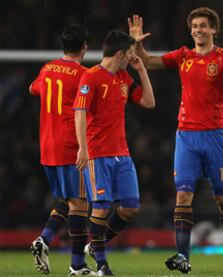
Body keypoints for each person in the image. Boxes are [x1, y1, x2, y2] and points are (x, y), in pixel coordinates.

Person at [129, 7, 223, 273]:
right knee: (183, 195)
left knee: (222, 199)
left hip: (215, 137)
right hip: (186, 136)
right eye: (195, 26)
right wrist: (136, 42)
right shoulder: (183, 55)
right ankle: (182, 255)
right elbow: (147, 61)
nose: (198, 30)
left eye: (203, 25)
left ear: (214, 29)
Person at [74, 29, 155, 276]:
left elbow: (150, 102)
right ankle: (102, 265)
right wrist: (83, 148)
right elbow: (80, 112)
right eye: (130, 53)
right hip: (98, 154)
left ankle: (94, 245)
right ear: (120, 53)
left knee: (131, 207)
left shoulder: (124, 78)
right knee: (100, 208)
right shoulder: (91, 77)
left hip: (122, 154)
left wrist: (142, 71)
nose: (133, 57)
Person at [29, 24, 96, 276]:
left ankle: (44, 239)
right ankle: (77, 266)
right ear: (85, 46)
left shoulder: (46, 69)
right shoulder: (84, 74)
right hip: (71, 145)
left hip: (47, 145)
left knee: (67, 200)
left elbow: (33, 89)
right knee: (80, 203)